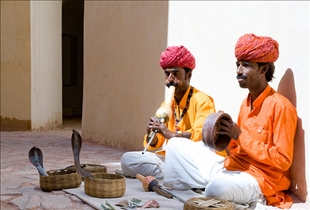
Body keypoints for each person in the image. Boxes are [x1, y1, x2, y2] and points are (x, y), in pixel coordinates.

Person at [162, 34, 297, 209]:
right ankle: (212, 185)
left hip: (260, 180)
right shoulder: (245, 103)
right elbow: (236, 149)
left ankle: (224, 191)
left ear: (263, 70)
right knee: (175, 145)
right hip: (232, 167)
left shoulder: (281, 106)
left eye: (245, 65)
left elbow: (282, 160)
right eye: (238, 64)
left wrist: (238, 136)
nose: (239, 71)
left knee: (216, 189)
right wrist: (222, 135)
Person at [120, 45, 223, 179]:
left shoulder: (202, 101)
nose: (170, 79)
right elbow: (153, 146)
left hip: (196, 161)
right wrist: (152, 133)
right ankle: (171, 176)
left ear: (189, 75)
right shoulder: (167, 105)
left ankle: (177, 177)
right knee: (127, 159)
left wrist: (172, 135)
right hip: (173, 161)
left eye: (175, 73)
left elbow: (202, 136)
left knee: (175, 143)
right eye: (167, 74)